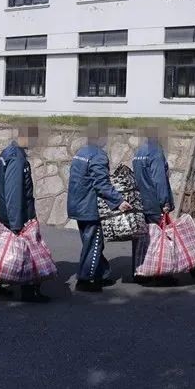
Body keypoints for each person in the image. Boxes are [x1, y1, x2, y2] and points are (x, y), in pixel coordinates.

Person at [67, 121, 132, 293]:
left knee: (90, 242)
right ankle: (86, 279)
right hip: (89, 207)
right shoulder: (98, 156)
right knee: (94, 242)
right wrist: (119, 201)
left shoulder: (81, 153)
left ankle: (101, 273)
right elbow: (101, 184)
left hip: (77, 204)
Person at [0, 122, 50, 303]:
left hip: (7, 212)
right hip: (19, 215)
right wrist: (17, 223)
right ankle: (29, 291)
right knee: (29, 253)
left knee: (5, 250)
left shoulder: (7, 152)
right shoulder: (17, 158)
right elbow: (15, 192)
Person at [131, 124, 182, 284]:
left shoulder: (139, 152)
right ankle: (161, 274)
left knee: (141, 239)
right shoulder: (155, 152)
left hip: (140, 201)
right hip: (154, 202)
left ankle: (140, 272)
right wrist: (164, 202)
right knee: (160, 238)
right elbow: (159, 179)